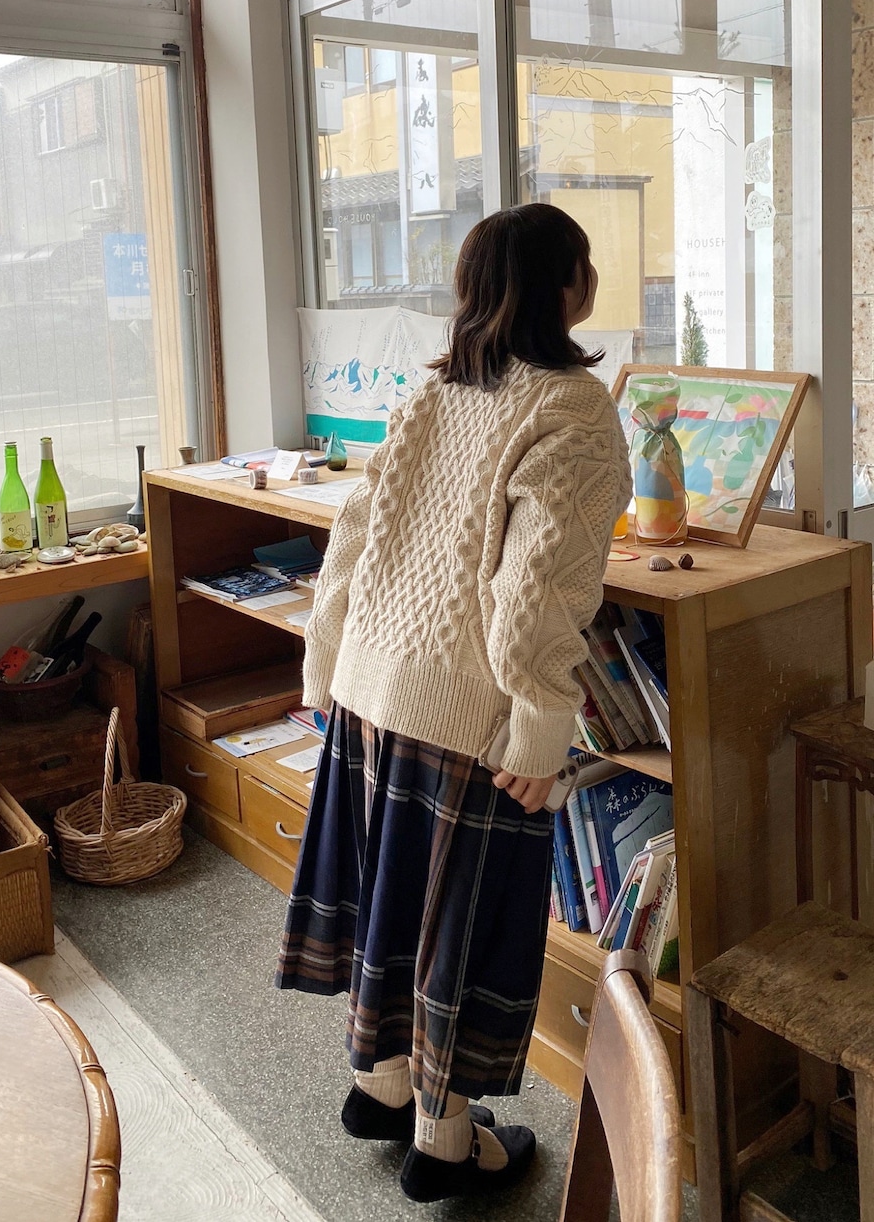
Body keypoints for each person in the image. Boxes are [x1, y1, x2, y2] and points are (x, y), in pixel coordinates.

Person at [276, 202, 633, 1203]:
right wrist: (539, 724)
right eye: (585, 263)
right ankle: (444, 1145)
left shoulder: (431, 391)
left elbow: (353, 536)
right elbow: (538, 587)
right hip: (463, 715)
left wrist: (323, 663)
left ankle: (379, 1086)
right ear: (563, 287)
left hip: (370, 690)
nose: (592, 278)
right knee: (458, 933)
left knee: (390, 905)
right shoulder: (572, 406)